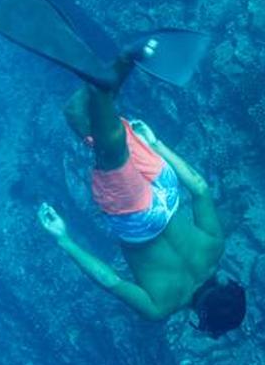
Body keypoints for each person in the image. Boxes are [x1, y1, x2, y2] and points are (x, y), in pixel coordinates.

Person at [36, 76, 245, 336]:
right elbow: (110, 280)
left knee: (87, 122)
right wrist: (63, 239)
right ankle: (106, 79)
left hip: (167, 189)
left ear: (227, 286)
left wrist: (155, 144)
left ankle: (104, 77)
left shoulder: (215, 248)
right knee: (102, 139)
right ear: (201, 317)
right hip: (140, 218)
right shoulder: (160, 307)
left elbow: (200, 187)